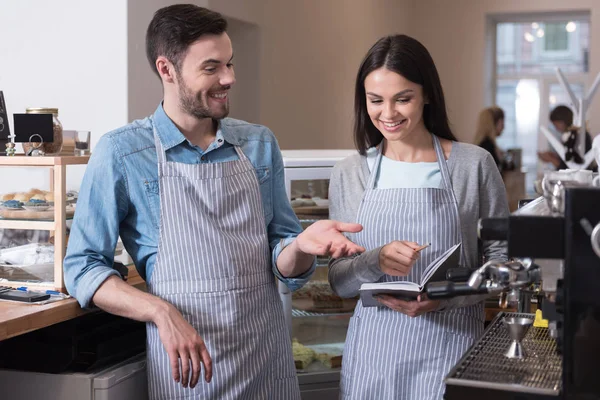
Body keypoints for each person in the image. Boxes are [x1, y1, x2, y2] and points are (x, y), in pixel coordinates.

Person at [63, 5, 364, 399]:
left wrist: (303, 246)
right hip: (189, 368)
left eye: (230, 64)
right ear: (166, 70)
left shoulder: (258, 143)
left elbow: (282, 261)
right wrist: (160, 311)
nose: (229, 78)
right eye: (211, 68)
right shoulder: (122, 153)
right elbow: (81, 266)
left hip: (264, 361)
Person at [327, 34, 509, 399]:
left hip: (451, 350)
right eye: (375, 100)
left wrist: (445, 296)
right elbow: (339, 283)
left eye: (403, 99)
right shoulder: (350, 172)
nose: (388, 114)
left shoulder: (472, 165)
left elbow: (502, 265)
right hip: (372, 358)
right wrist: (374, 259)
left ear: (427, 95)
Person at [538, 105, 594, 170]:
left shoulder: (579, 137)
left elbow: (571, 167)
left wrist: (552, 159)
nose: (556, 128)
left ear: (563, 121)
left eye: (556, 124)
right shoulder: (568, 136)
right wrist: (555, 156)